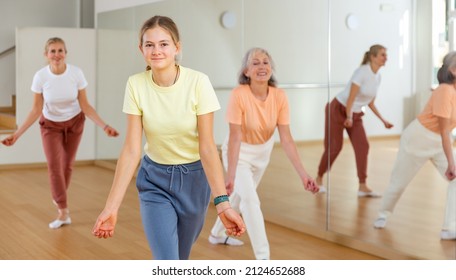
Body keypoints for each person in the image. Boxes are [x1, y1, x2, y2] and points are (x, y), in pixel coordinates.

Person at [91, 15, 246, 260]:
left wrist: (223, 203)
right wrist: (111, 207)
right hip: (155, 180)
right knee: (167, 261)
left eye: (164, 44)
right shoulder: (136, 84)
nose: (156, 50)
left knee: (180, 259)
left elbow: (207, 148)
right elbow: (132, 150)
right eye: (149, 44)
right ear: (141, 49)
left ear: (177, 47)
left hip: (194, 181)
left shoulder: (198, 82)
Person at [208, 47, 319, 260]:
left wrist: (304, 175)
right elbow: (235, 137)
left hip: (263, 152)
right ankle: (263, 259)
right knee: (250, 200)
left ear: (271, 68)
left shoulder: (279, 96)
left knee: (240, 198)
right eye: (255, 63)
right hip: (237, 152)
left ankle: (216, 234)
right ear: (246, 71)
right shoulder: (238, 94)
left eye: (266, 62)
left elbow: (286, 138)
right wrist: (230, 175)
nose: (261, 66)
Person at [1, 37, 119, 229]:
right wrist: (17, 135)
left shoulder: (76, 73)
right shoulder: (41, 77)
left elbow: (85, 105)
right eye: (53, 51)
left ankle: (58, 195)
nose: (57, 55)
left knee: (68, 166)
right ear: (46, 55)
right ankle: (63, 211)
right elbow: (35, 110)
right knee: (54, 167)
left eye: (60, 50)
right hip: (50, 125)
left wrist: (104, 126)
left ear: (66, 53)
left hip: (75, 123)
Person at [373, 51, 456, 240]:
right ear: (453, 70)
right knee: (399, 183)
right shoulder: (444, 91)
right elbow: (444, 130)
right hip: (419, 138)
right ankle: (383, 214)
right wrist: (452, 163)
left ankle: (450, 228)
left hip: (440, 142)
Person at [316, 44, 394, 196]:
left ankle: (362, 186)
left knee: (363, 146)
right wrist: (349, 116)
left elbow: (370, 102)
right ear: (372, 57)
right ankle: (318, 179)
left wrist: (383, 120)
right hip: (338, 109)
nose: (386, 58)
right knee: (335, 147)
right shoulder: (362, 72)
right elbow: (351, 98)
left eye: (386, 55)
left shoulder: (377, 77)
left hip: (355, 114)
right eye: (382, 55)